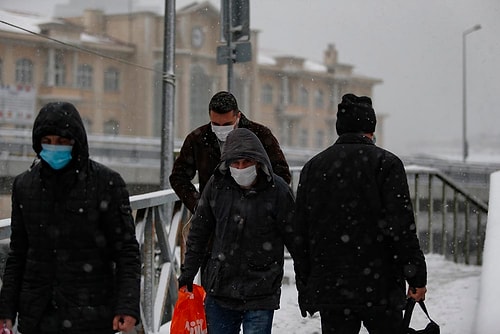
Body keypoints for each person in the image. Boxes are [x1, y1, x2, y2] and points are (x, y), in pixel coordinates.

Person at [0, 102, 141, 334]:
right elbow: (18, 253)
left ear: (76, 142)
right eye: (48, 141)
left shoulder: (106, 183)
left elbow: (126, 251)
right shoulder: (24, 185)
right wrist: (5, 309)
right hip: (38, 314)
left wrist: (127, 306)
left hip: (90, 314)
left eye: (63, 141)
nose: (55, 148)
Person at [293, 93, 427, 334]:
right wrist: (416, 276)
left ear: (339, 128)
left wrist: (306, 285)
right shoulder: (386, 164)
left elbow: (300, 233)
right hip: (380, 285)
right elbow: (402, 227)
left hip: (331, 286)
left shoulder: (313, 167)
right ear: (371, 128)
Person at [177, 128, 298, 334]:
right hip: (221, 288)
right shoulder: (217, 186)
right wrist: (188, 273)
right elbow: (199, 232)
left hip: (261, 289)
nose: (241, 168)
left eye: (246, 163)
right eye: (236, 163)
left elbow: (296, 240)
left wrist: (306, 286)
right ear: (227, 164)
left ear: (258, 162)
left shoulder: (277, 191)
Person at [169, 91, 291, 214]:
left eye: (227, 124)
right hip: (214, 219)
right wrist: (198, 205)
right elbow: (178, 177)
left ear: (238, 116)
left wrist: (262, 204)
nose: (221, 129)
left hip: (253, 217)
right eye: (215, 124)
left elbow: (281, 173)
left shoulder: (261, 135)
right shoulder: (197, 139)